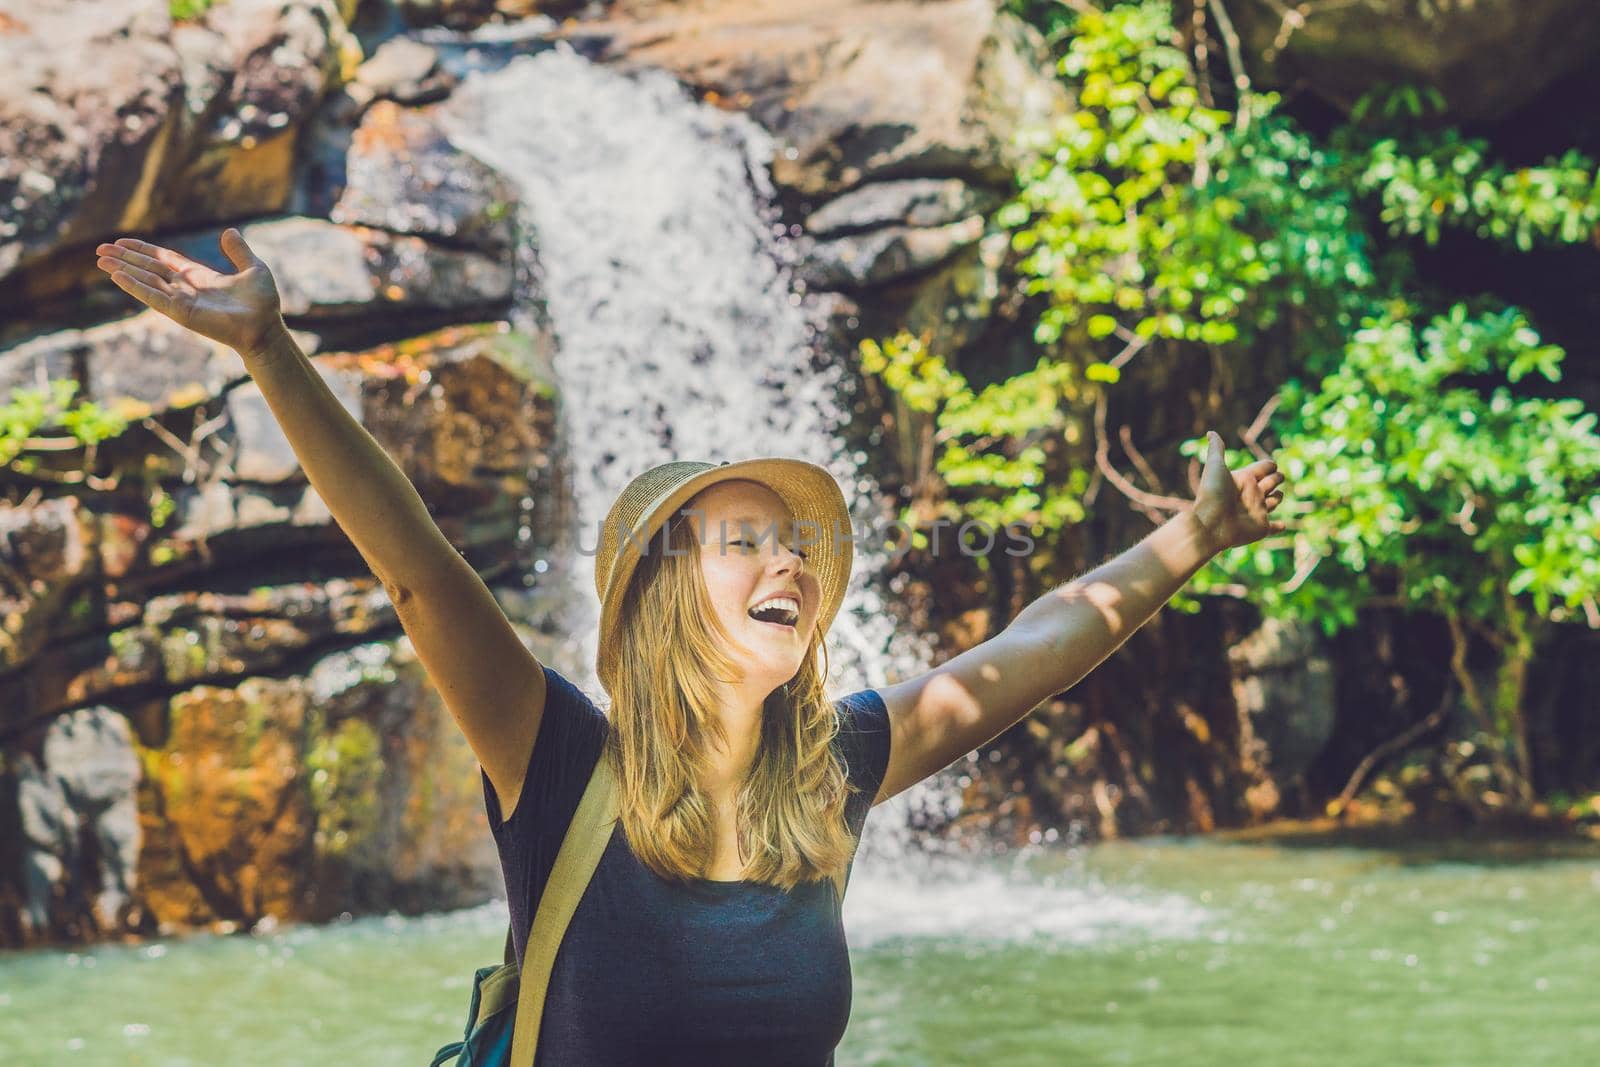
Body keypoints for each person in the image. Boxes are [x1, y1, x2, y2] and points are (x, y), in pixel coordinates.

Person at [93, 229, 1288, 1064]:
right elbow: (414, 569)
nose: (789, 564)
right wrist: (268, 350)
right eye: (740, 542)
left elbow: (1037, 647)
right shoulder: (555, 759)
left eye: (796, 546)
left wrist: (1197, 533)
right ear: (659, 602)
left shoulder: (837, 769)